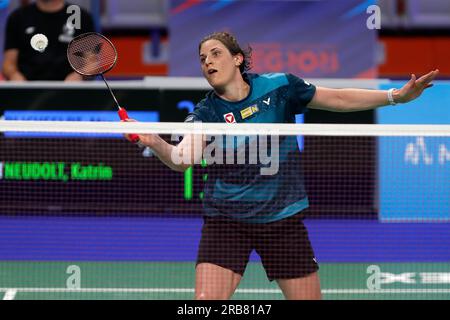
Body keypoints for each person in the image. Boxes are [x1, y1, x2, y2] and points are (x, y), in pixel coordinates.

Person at [126, 32, 438, 300]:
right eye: (202, 58)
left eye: (216, 53)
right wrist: (154, 140)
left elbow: (340, 99)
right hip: (226, 221)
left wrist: (395, 96)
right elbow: (184, 160)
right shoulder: (205, 112)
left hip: (282, 219)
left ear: (237, 59)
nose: (208, 62)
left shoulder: (279, 88)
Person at [2, 0, 94, 81]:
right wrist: (14, 76)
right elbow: (8, 63)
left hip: (70, 93)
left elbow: (91, 62)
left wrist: (78, 75)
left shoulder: (81, 17)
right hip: (28, 93)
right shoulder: (17, 17)